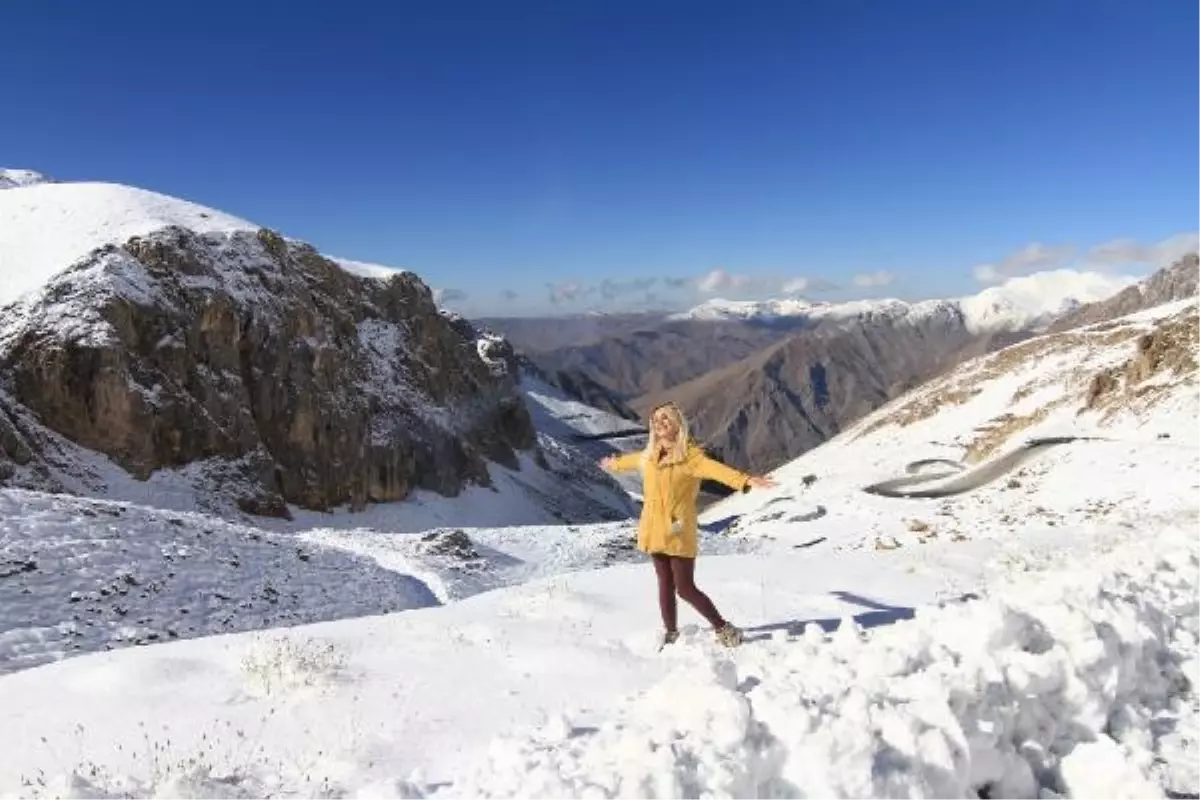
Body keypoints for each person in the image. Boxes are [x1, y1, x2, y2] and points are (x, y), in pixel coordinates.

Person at [599, 401, 777, 649]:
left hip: (678, 531)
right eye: (656, 419)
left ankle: (724, 628)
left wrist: (745, 480)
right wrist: (613, 464)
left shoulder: (691, 457)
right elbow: (631, 461)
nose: (659, 423)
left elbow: (719, 471)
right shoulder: (650, 455)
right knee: (664, 583)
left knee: (684, 588)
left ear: (677, 425)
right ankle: (671, 632)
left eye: (666, 419)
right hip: (653, 529)